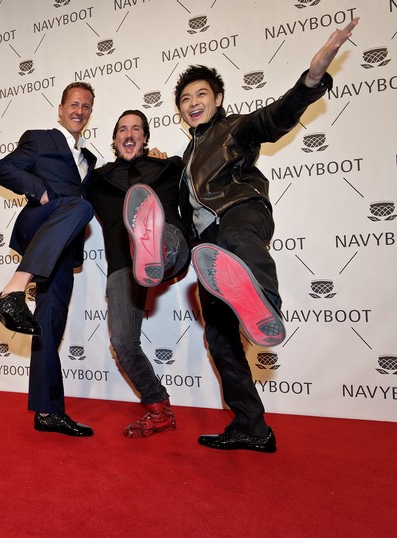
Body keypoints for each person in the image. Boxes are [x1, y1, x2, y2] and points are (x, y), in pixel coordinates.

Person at [175, 18, 359, 452]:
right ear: (180, 111)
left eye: (202, 94)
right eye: (185, 99)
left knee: (240, 244)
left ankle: (264, 305)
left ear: (218, 100)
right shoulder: (186, 158)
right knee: (220, 341)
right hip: (208, 250)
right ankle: (252, 427)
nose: (194, 102)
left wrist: (312, 79)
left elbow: (273, 118)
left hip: (239, 212)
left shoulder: (233, 128)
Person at [0, 82, 97, 436]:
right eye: (73, 104)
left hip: (62, 249)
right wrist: (41, 192)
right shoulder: (40, 139)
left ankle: (48, 412)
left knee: (49, 324)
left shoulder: (90, 160)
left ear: (90, 113)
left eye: (85, 107)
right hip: (40, 224)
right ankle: (13, 289)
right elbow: (2, 170)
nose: (79, 111)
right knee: (81, 205)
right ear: (61, 108)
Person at [88, 110, 190, 438]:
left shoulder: (168, 167)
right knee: (122, 342)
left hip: (170, 244)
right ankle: (159, 408)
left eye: (136, 128)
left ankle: (154, 250)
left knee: (164, 237)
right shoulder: (98, 181)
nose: (129, 133)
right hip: (123, 264)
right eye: (122, 129)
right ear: (116, 140)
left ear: (145, 138)